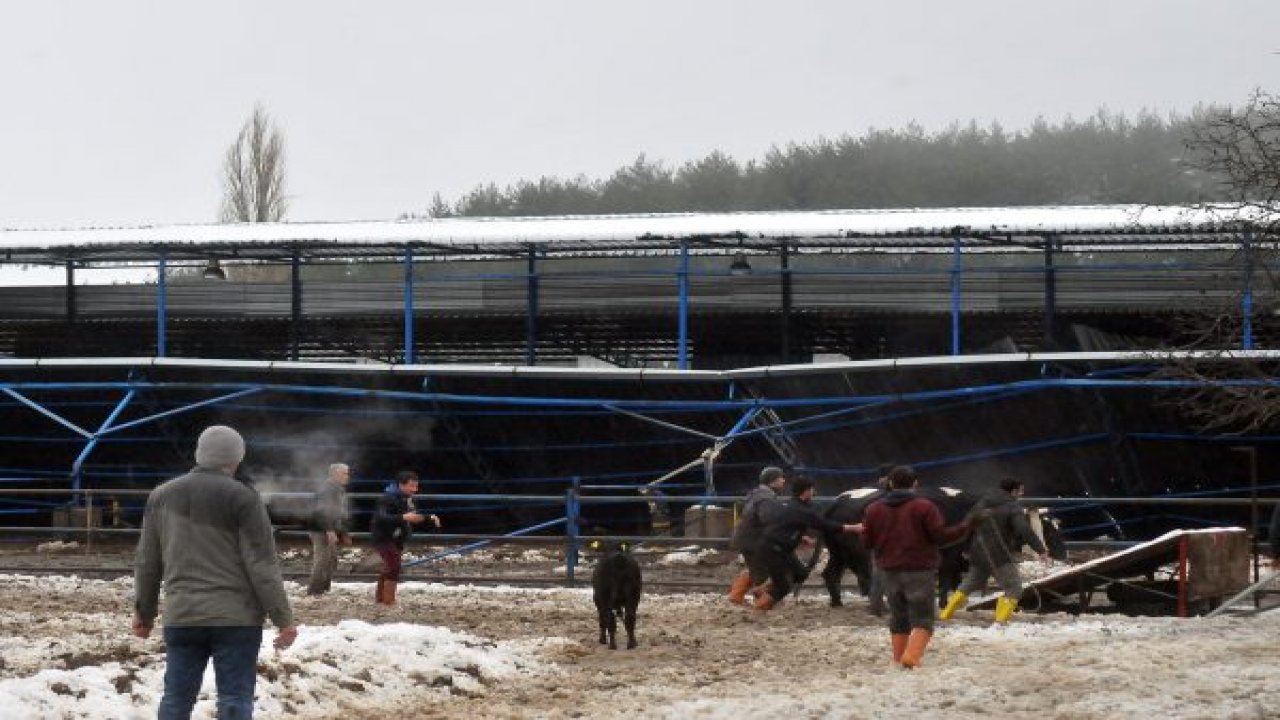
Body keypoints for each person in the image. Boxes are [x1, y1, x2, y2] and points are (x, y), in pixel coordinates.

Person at [132, 425, 297, 719]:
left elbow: (147, 561)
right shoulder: (244, 498)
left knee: (176, 699)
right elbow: (261, 564)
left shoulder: (161, 496)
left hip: (182, 614)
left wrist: (144, 613)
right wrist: (283, 619)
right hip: (236, 618)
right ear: (236, 458)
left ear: (199, 453)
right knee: (234, 699)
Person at [861, 465, 975, 669]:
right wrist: (967, 526)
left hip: (888, 570)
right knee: (923, 617)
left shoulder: (874, 509)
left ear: (890, 483)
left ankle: (898, 657)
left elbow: (866, 542)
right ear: (915, 484)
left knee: (898, 615)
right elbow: (941, 537)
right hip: (919, 570)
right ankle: (911, 657)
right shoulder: (925, 507)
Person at [940, 477, 1049, 624]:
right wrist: (1040, 549)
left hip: (978, 553)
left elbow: (967, 523)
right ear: (1013, 491)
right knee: (1014, 588)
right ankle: (1000, 622)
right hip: (999, 555)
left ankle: (945, 614)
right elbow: (1024, 529)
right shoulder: (1012, 506)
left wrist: (966, 547)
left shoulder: (983, 502)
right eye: (1021, 491)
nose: (1022, 494)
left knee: (971, 583)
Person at [753, 477, 861, 612]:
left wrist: (802, 538)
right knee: (783, 587)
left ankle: (761, 590)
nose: (813, 492)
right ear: (806, 492)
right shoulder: (803, 511)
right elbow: (825, 525)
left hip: (777, 547)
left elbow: (783, 526)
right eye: (811, 489)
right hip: (774, 550)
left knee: (801, 573)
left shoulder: (789, 505)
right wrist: (854, 527)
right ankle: (758, 609)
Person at [370, 469, 440, 605]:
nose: (415, 490)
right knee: (394, 566)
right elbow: (381, 518)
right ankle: (388, 600)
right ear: (401, 485)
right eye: (412, 486)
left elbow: (412, 516)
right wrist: (403, 517)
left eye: (416, 486)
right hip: (384, 537)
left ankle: (381, 598)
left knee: (390, 566)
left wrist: (428, 518)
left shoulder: (406, 499)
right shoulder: (387, 499)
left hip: (396, 538)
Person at [727, 466, 788, 605]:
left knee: (755, 568)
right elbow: (766, 518)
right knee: (763, 572)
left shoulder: (757, 493)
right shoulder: (766, 497)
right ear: (772, 481)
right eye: (781, 478)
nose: (784, 481)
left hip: (746, 538)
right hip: (754, 541)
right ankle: (761, 603)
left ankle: (736, 595)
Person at [306, 462, 353, 596]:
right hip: (321, 529)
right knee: (322, 560)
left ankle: (324, 588)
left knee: (330, 559)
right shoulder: (327, 490)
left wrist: (343, 532)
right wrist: (329, 530)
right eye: (345, 473)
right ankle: (315, 591)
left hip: (328, 528)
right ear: (335, 474)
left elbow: (340, 513)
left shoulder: (337, 489)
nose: (347, 476)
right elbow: (322, 511)